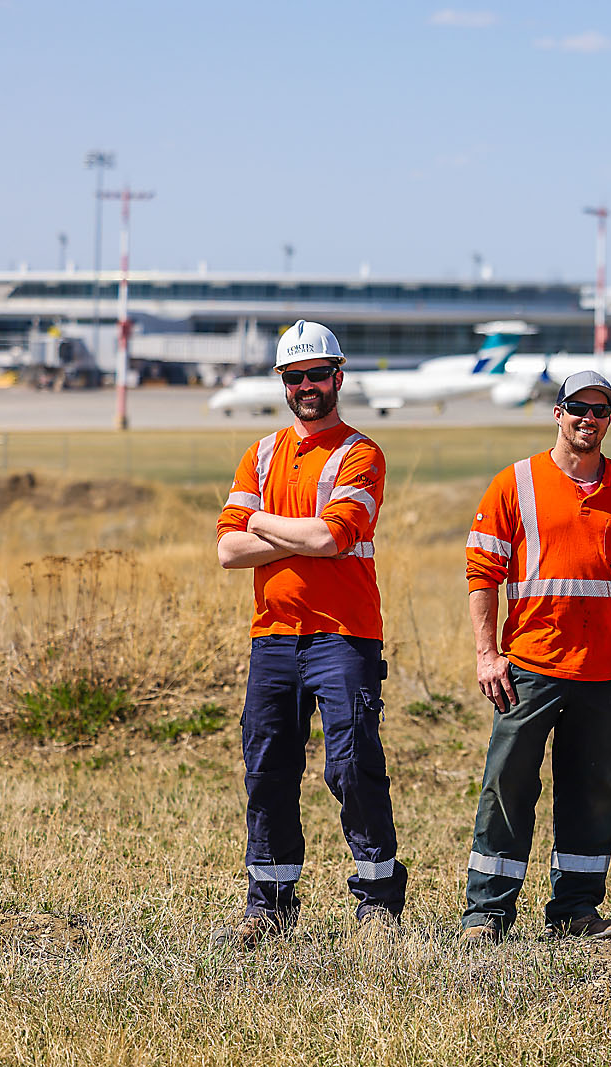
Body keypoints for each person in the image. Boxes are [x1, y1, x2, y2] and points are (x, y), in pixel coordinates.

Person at [213, 320, 406, 945]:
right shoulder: (261, 454)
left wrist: (261, 523)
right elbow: (227, 551)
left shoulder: (361, 454)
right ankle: (269, 904)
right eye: (294, 377)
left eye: (317, 375)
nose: (306, 386)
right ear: (282, 381)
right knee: (267, 768)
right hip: (272, 636)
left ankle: (378, 901)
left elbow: (332, 537)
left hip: (344, 635)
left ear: (337, 378)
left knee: (351, 766)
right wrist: (297, 534)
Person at [459, 370, 611, 943]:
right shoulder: (515, 484)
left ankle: (576, 910)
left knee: (594, 794)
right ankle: (487, 914)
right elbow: (482, 572)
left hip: (606, 673)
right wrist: (486, 653)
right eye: (578, 407)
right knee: (507, 788)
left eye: (600, 410)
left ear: (610, 418)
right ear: (557, 413)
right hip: (528, 668)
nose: (588, 419)